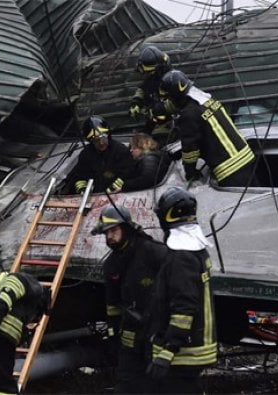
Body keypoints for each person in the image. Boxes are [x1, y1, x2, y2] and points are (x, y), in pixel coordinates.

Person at [145, 187, 218, 393]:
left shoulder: (182, 256)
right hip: (193, 344)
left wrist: (169, 350)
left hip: (184, 351)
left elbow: (184, 308)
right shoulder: (196, 248)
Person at [91, 205, 170, 394]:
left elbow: (176, 287)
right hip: (131, 331)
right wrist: (112, 330)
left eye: (113, 231)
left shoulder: (153, 252)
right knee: (127, 380)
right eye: (106, 233)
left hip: (158, 330)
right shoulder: (111, 264)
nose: (109, 237)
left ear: (126, 229)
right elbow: (113, 303)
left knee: (158, 381)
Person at [159, 69, 259, 187]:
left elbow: (190, 149)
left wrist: (190, 173)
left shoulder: (189, 114)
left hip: (230, 168)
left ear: (175, 96)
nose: (168, 102)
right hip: (246, 157)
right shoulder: (207, 100)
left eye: (168, 98)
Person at [64, 115, 134, 194]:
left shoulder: (120, 151)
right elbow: (80, 176)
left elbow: (128, 173)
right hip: (94, 197)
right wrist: (83, 190)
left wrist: (111, 191)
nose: (101, 143)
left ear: (108, 135)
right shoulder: (86, 154)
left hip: (118, 195)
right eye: (96, 140)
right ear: (90, 141)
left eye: (103, 138)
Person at [130, 46, 175, 145]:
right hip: (154, 122)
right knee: (137, 143)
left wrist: (157, 110)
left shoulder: (172, 80)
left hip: (171, 125)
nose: (149, 75)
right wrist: (136, 102)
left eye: (150, 72)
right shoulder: (154, 77)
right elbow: (143, 88)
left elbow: (176, 102)